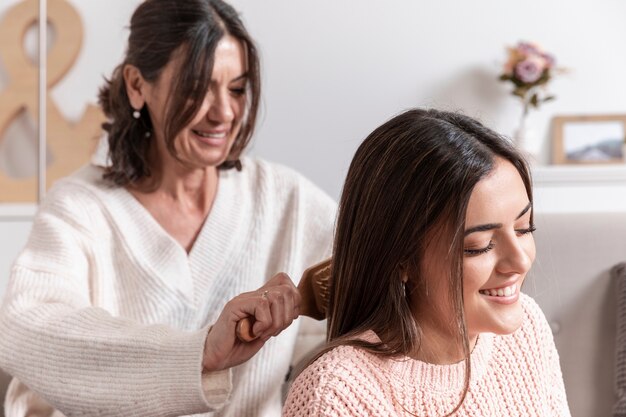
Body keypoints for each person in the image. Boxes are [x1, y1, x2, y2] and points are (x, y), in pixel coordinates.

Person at [0, 1, 335, 416]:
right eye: (197, 88)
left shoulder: (288, 201)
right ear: (138, 85)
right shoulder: (80, 209)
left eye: (236, 88)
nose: (224, 112)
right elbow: (26, 330)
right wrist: (200, 354)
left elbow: (378, 286)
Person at [283, 109, 570, 416]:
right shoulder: (335, 394)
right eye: (479, 246)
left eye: (524, 228)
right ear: (401, 259)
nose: (520, 260)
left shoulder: (526, 328)